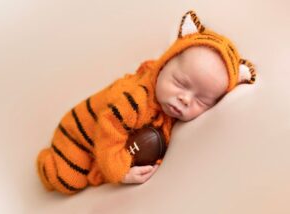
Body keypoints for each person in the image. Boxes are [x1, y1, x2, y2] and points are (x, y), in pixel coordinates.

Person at [36, 10, 256, 195]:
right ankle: (48, 165)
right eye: (180, 83)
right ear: (163, 65)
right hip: (76, 136)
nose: (185, 99)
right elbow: (108, 127)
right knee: (69, 180)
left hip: (99, 141)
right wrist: (119, 171)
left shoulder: (166, 99)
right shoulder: (136, 98)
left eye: (202, 100)